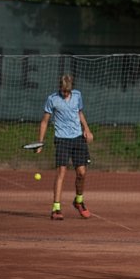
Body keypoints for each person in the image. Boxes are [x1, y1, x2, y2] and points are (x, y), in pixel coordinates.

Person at [36, 73, 94, 220]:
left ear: (71, 88)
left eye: (67, 91)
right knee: (61, 172)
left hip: (78, 138)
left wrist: (86, 129)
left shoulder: (77, 96)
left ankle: (79, 201)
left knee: (81, 173)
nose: (65, 93)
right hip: (62, 139)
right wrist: (40, 142)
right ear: (59, 87)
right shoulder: (52, 99)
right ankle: (56, 208)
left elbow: (79, 113)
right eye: (63, 90)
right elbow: (44, 122)